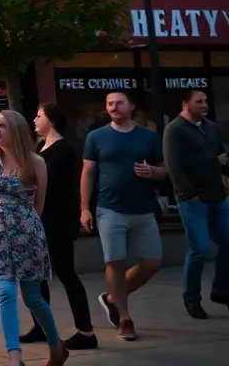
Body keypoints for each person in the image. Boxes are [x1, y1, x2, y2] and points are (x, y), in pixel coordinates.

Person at [0, 110, 67, 366]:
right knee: (5, 292)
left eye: (2, 126)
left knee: (33, 298)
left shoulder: (35, 162)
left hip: (28, 231)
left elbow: (39, 204)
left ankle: (56, 344)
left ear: (15, 130)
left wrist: (27, 227)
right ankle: (14, 358)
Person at [81, 91, 166, 341]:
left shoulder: (148, 136)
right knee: (115, 262)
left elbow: (164, 171)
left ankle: (111, 298)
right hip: (109, 209)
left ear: (131, 106)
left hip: (143, 208)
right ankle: (124, 317)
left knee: (153, 262)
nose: (113, 107)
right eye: (109, 103)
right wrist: (84, 207)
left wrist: (152, 171)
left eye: (118, 103)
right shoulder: (96, 136)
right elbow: (88, 173)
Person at [23, 104, 96, 349]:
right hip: (40, 217)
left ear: (52, 121)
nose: (34, 119)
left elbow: (45, 180)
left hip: (59, 218)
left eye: (39, 116)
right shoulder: (40, 147)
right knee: (38, 273)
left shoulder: (62, 149)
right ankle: (41, 326)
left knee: (65, 272)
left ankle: (86, 332)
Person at [163, 88, 229, 317]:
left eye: (206, 101)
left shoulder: (211, 127)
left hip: (218, 196)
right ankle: (191, 298)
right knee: (199, 249)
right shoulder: (174, 130)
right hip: (192, 199)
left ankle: (222, 290)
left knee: (228, 242)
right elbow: (174, 166)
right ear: (185, 104)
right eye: (199, 101)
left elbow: (222, 155)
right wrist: (189, 193)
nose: (204, 105)